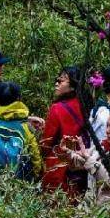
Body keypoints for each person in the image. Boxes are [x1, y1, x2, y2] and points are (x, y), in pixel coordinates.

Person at [0, 81, 42, 180]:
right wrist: (35, 177)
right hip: (19, 182)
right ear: (19, 99)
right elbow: (36, 157)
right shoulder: (27, 128)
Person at [40, 66, 88, 201]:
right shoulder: (87, 105)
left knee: (55, 205)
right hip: (81, 163)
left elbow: (47, 142)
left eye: (61, 81)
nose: (56, 83)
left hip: (59, 165)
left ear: (73, 86)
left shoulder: (57, 108)